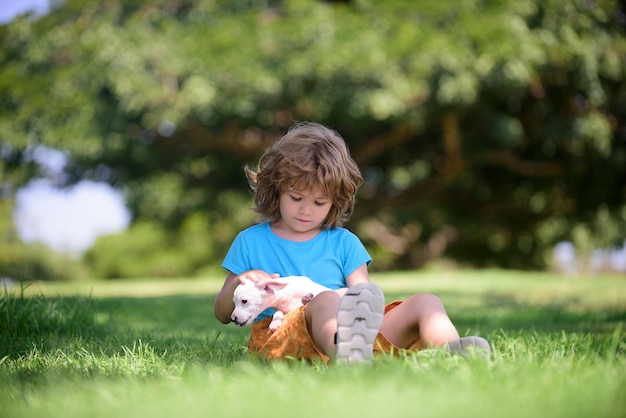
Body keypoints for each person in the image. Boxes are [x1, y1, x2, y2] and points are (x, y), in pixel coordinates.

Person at [214, 121, 490, 364]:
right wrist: (240, 281)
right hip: (283, 339)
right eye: (296, 198)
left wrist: (347, 300)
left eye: (319, 202)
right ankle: (345, 358)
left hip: (352, 333)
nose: (306, 210)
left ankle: (452, 354)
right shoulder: (250, 241)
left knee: (425, 302)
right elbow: (222, 313)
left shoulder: (345, 243)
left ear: (336, 201)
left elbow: (363, 301)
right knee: (323, 302)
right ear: (276, 190)